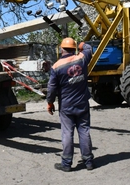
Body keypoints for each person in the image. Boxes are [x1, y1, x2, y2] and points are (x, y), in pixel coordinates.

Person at [46, 37, 94, 172]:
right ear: (74, 48)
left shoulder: (56, 67)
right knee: (84, 131)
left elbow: (51, 88)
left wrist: (50, 103)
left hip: (66, 106)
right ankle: (89, 161)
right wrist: (82, 44)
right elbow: (89, 48)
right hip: (82, 103)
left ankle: (66, 164)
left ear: (61, 49)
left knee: (67, 133)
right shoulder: (82, 59)